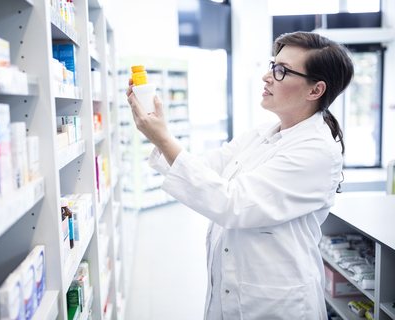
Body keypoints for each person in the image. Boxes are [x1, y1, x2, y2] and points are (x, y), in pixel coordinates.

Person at [126, 31, 354, 320]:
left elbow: (233, 204)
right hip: (235, 292)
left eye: (282, 71)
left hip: (278, 305)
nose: (268, 76)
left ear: (315, 90)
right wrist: (159, 134)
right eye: (274, 65)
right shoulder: (262, 133)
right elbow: (206, 168)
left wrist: (163, 139)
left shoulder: (316, 151)